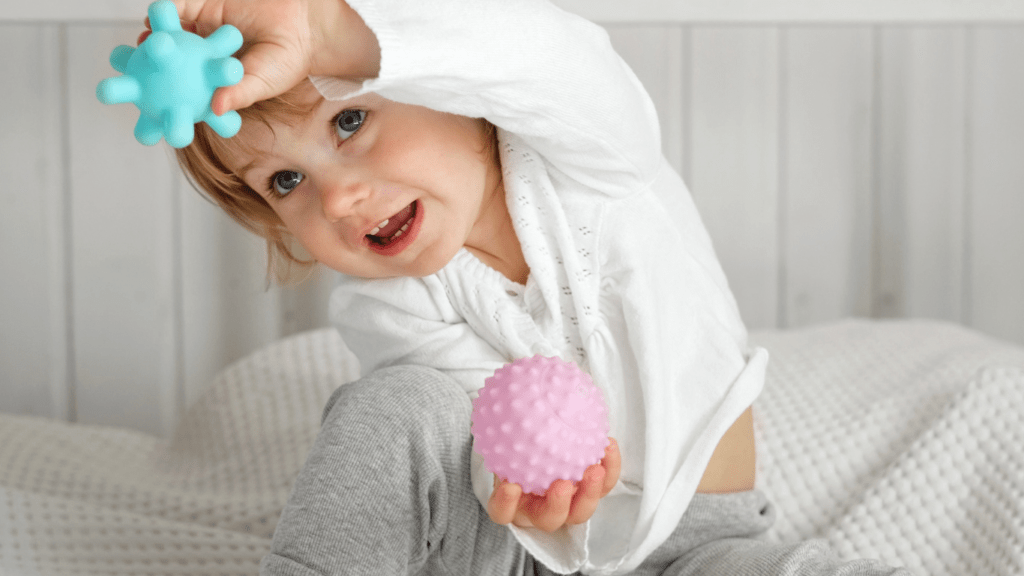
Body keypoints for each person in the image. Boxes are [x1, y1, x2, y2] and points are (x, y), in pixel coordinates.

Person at [155, 0, 911, 574]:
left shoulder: (591, 157)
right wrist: (523, 491)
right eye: (286, 181)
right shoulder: (385, 301)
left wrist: (333, 35)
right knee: (394, 406)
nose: (339, 199)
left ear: (444, 82)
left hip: (697, 545)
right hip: (512, 550)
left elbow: (550, 55)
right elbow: (479, 426)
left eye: (350, 121)